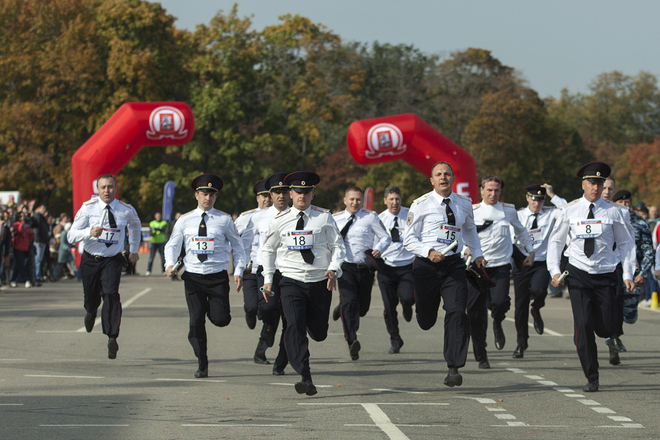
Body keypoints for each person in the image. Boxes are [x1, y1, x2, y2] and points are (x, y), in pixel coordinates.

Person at [547, 162, 635, 392]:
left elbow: (625, 244)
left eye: (599, 183)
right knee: (583, 324)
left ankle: (606, 331)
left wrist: (628, 274)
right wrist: (555, 271)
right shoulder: (569, 210)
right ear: (583, 184)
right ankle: (592, 375)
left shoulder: (615, 212)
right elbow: (556, 242)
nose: (596, 188)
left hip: (606, 273)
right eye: (591, 183)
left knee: (606, 328)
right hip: (578, 272)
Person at [261, 171, 345, 396]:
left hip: (319, 282)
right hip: (291, 281)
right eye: (298, 192)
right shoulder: (280, 220)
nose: (302, 196)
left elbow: (338, 246)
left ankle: (310, 324)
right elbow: (268, 249)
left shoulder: (324, 217)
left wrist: (334, 268)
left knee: (319, 333)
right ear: (291, 193)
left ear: (312, 194)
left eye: (307, 192)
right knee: (294, 327)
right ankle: (305, 376)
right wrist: (268, 280)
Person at [403, 161, 485, 387]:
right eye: (438, 174)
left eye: (447, 174)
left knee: (457, 311)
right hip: (426, 267)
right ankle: (423, 313)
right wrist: (428, 252)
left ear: (453, 178)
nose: (443, 178)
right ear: (432, 180)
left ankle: (453, 367)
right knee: (426, 321)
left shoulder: (464, 204)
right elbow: (408, 239)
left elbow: (470, 231)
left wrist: (477, 254)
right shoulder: (420, 204)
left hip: (453, 266)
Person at [165, 174, 247, 378]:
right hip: (193, 277)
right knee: (196, 321)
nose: (207, 198)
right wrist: (169, 264)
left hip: (217, 277)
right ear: (196, 195)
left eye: (211, 194)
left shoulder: (224, 220)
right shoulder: (184, 220)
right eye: (204, 194)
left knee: (221, 319)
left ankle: (212, 310)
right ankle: (202, 362)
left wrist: (238, 271)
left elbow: (238, 246)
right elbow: (172, 245)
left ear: (216, 197)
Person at [69, 174, 142, 359]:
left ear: (115, 188)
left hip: (112, 259)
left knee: (111, 294)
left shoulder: (125, 209)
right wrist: (89, 232)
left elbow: (135, 226)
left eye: (110, 187)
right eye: (103, 187)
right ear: (98, 189)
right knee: (91, 296)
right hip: (90, 259)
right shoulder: (88, 208)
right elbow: (71, 235)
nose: (107, 190)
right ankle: (91, 310)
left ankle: (112, 336)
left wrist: (133, 250)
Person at [466, 176, 534, 368]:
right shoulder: (472, 211)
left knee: (500, 302)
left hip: (501, 266)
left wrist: (530, 251)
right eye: (489, 190)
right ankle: (481, 355)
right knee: (475, 313)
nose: (493, 194)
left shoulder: (508, 210)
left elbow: (521, 232)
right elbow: (462, 233)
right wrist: (465, 248)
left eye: (496, 190)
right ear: (481, 190)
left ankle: (497, 321)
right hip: (477, 267)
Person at [332, 186, 391, 360]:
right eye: (351, 199)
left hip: (365, 269)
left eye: (358, 199)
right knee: (349, 303)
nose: (355, 202)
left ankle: (342, 307)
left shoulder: (370, 217)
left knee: (362, 308)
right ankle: (351, 340)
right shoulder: (335, 219)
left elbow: (385, 237)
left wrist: (379, 249)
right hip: (345, 268)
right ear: (345, 200)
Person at [245, 172, 291, 373]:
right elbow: (243, 242)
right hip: (265, 271)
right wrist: (241, 267)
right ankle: (267, 333)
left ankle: (280, 361)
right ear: (270, 194)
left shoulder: (300, 215)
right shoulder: (257, 217)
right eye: (276, 192)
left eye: (284, 192)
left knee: (290, 319)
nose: (281, 196)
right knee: (269, 309)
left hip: (291, 272)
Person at [511, 184, 561, 359]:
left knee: (539, 290)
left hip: (540, 262)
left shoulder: (551, 213)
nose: (537, 203)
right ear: (527, 198)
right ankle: (521, 343)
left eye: (541, 200)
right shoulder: (518, 215)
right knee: (520, 306)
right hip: (522, 262)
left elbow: (567, 209)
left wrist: (552, 195)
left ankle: (537, 309)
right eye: (534, 199)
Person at [607, 190, 653, 364]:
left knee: (630, 315)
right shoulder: (608, 219)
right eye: (621, 203)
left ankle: (614, 335)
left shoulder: (640, 222)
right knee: (614, 303)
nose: (625, 205)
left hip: (634, 271)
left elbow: (648, 249)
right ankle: (613, 339)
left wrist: (643, 272)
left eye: (628, 202)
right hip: (612, 270)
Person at [375, 185, 415, 354]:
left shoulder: (411, 215)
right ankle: (395, 339)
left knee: (408, 297)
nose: (394, 202)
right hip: (386, 267)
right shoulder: (379, 219)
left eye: (397, 199)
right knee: (389, 307)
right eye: (391, 199)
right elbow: (373, 242)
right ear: (385, 201)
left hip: (407, 265)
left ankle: (407, 305)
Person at [235, 180, 272, 331]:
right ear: (257, 198)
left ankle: (267, 325)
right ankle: (249, 312)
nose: (267, 199)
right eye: (264, 196)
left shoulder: (279, 216)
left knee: (267, 306)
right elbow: (233, 239)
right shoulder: (246, 217)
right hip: (250, 268)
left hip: (268, 268)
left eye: (270, 196)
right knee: (251, 306)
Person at [10, 211, 33, 288]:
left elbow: (30, 237)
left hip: (25, 247)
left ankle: (13, 280)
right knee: (21, 264)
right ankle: (26, 279)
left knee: (18, 264)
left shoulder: (27, 226)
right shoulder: (16, 225)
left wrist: (31, 233)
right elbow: (19, 232)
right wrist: (21, 225)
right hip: (18, 247)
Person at [146, 212, 169, 276]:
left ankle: (164, 270)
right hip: (154, 242)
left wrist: (155, 229)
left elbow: (163, 229)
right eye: (157, 216)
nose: (158, 217)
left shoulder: (164, 222)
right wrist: (154, 232)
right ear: (155, 216)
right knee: (151, 257)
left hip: (161, 242)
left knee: (163, 257)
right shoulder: (152, 223)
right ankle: (148, 270)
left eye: (159, 216)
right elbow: (151, 232)